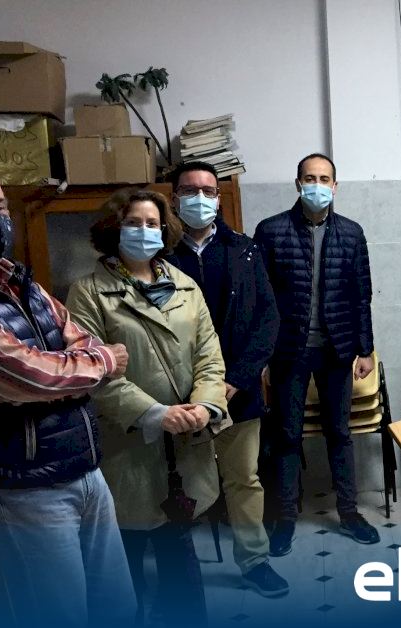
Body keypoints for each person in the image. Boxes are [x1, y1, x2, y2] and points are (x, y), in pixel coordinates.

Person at [0, 168, 135, 626]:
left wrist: (53, 374)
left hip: (85, 469)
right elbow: (26, 375)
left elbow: (79, 340)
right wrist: (91, 365)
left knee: (117, 609)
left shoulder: (19, 281)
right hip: (20, 489)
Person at [66, 188, 228, 625]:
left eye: (152, 224)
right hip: (127, 444)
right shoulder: (88, 293)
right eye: (134, 223)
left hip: (185, 441)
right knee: (125, 558)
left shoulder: (185, 286)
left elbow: (209, 355)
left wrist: (205, 405)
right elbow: (91, 370)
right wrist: (155, 413)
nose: (144, 231)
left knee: (179, 549)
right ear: (114, 229)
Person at [164, 161, 287, 596]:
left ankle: (254, 561)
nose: (200, 198)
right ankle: (179, 568)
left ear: (219, 198)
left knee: (244, 479)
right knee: (179, 483)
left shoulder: (245, 250)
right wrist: (199, 389)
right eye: (189, 190)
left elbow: (267, 319)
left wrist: (236, 378)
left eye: (208, 191)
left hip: (239, 390)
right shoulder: (159, 256)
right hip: (180, 394)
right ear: (174, 198)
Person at [253, 152, 380, 552]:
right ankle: (285, 518)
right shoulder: (271, 231)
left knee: (339, 433)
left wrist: (365, 349)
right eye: (310, 178)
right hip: (288, 351)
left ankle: (350, 512)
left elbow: (362, 296)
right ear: (298, 184)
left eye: (325, 179)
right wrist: (262, 356)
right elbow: (261, 298)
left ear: (335, 186)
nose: (317, 186)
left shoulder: (352, 233)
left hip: (337, 349)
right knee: (287, 436)